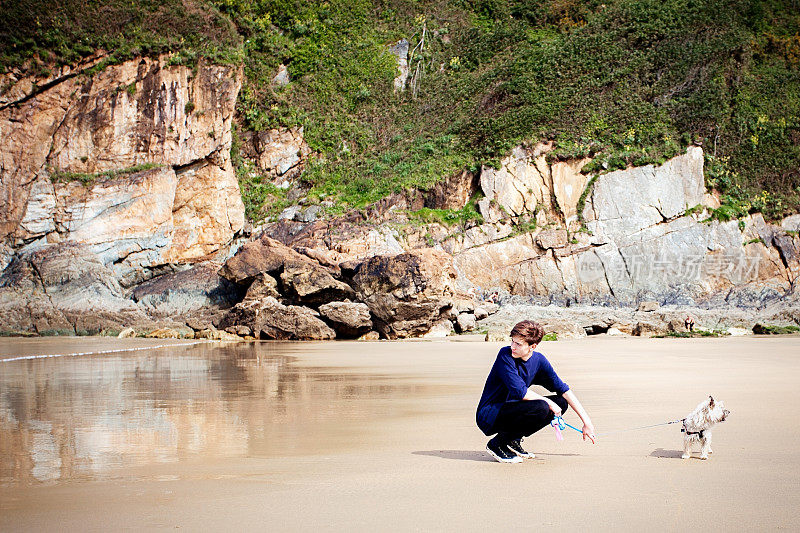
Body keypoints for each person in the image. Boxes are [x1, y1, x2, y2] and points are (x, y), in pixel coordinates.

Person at [476, 320, 596, 463]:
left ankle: (512, 439)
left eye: (518, 344)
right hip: (489, 414)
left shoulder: (539, 361)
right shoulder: (505, 355)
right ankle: (497, 444)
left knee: (561, 403)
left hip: (514, 410)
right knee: (543, 406)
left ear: (532, 346)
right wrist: (549, 404)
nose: (512, 347)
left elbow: (563, 390)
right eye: (512, 341)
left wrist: (587, 422)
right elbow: (521, 392)